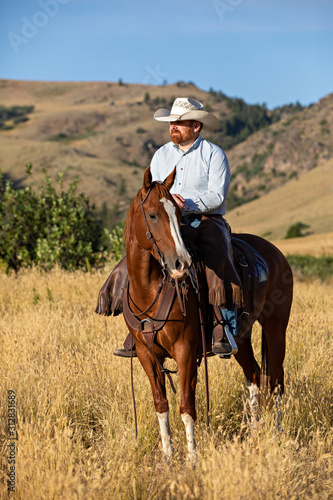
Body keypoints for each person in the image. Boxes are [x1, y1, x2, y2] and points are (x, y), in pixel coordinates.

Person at [103, 97, 242, 357]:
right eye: (171, 123)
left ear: (196, 127)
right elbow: (154, 193)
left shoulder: (213, 154)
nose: (173, 127)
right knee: (141, 253)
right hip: (169, 220)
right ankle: (138, 323)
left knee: (216, 254)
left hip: (205, 219)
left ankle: (223, 324)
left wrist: (186, 204)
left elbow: (217, 197)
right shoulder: (161, 155)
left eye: (179, 123)